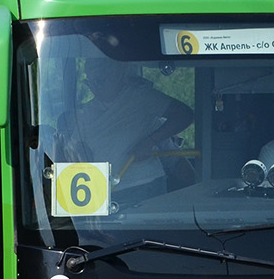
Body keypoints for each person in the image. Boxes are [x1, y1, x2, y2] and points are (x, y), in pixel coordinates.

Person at [70, 57, 193, 202]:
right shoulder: (85, 113)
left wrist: (150, 142)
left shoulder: (141, 97)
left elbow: (184, 114)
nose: (94, 88)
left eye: (100, 81)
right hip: (103, 192)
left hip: (145, 186)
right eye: (89, 83)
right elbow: (74, 148)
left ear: (117, 74)